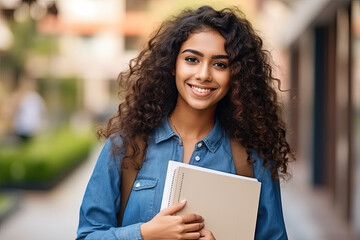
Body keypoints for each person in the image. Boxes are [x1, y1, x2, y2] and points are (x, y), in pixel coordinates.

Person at [76, 5, 294, 240]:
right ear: (172, 65)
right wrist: (144, 234)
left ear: (236, 75)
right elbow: (87, 235)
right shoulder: (125, 147)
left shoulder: (252, 159)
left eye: (220, 64)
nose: (203, 74)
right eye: (192, 59)